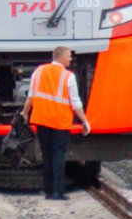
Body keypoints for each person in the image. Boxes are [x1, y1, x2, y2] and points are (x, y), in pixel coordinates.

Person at [20, 45, 90, 200]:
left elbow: (31, 95)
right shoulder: (68, 76)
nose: (71, 59)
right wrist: (85, 120)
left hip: (41, 120)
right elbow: (75, 102)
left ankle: (47, 189)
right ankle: (58, 192)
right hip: (60, 123)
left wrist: (25, 113)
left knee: (47, 155)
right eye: (69, 56)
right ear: (61, 57)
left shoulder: (38, 71)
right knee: (58, 155)